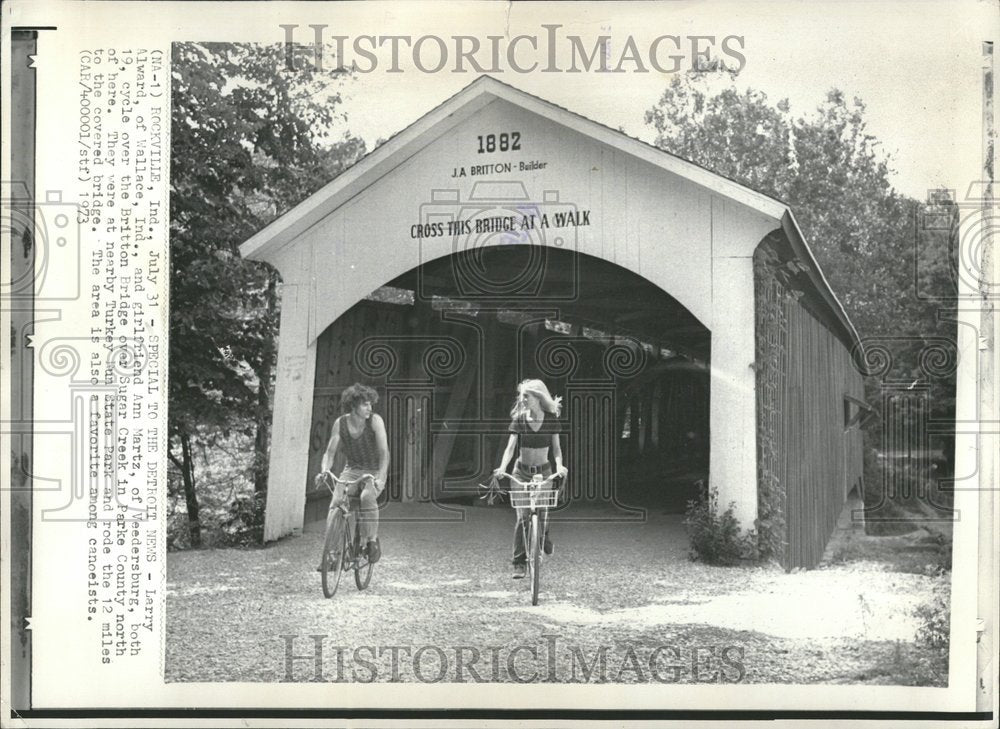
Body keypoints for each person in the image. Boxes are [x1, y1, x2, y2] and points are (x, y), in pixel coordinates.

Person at [493, 379, 569, 579]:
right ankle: (519, 562)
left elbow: (557, 449)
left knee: (542, 513)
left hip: (544, 471)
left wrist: (560, 466)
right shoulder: (519, 419)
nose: (522, 399)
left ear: (538, 397)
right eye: (522, 396)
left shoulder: (551, 419)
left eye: (526, 395)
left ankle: (543, 538)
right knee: (523, 517)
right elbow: (510, 448)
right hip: (521, 472)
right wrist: (502, 467)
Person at [315, 383, 389, 568]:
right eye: (365, 404)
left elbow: (384, 453)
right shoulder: (340, 424)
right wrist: (324, 470)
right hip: (352, 470)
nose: (370, 408)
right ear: (353, 405)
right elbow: (330, 453)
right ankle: (331, 556)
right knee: (336, 503)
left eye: (370, 404)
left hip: (374, 471)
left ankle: (371, 540)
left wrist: (380, 477)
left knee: (366, 497)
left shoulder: (375, 421)